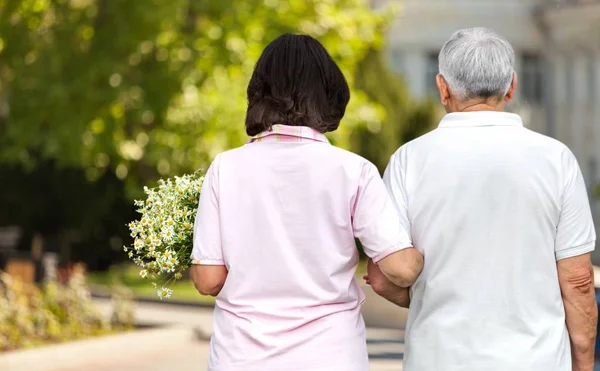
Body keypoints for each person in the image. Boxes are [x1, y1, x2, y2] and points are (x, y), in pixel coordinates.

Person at [366, 27, 598, 371]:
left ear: (442, 87)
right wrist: (581, 363)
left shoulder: (408, 160)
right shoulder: (556, 158)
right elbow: (578, 282)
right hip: (537, 360)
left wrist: (428, 297)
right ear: (512, 86)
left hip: (439, 358)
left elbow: (383, 275)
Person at [189, 33, 424, 370]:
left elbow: (208, 279)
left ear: (259, 92)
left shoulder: (226, 168)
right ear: (330, 93)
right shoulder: (353, 171)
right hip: (330, 355)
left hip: (242, 357)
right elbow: (400, 268)